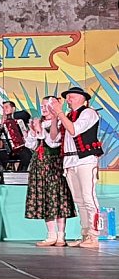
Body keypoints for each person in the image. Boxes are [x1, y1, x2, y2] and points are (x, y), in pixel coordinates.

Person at [50, 87, 104, 249]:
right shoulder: (67, 116)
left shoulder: (88, 113)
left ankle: (94, 235)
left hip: (85, 160)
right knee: (79, 200)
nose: (68, 100)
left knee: (88, 197)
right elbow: (54, 138)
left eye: (71, 97)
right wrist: (55, 118)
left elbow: (74, 130)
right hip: (69, 161)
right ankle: (85, 234)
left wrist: (60, 113)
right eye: (67, 97)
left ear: (82, 98)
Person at [24, 97, 75, 246]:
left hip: (54, 163)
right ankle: (51, 234)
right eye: (42, 106)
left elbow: (54, 142)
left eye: (47, 106)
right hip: (39, 164)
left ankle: (61, 235)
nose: (44, 109)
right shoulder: (38, 122)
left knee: (58, 198)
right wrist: (33, 132)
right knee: (46, 199)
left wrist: (41, 132)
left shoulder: (60, 122)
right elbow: (31, 145)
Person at [0, 101, 32, 171]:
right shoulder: (3, 123)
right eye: (3, 108)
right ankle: (3, 173)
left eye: (6, 107)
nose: (4, 110)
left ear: (13, 109)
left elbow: (25, 115)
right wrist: (1, 125)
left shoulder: (20, 118)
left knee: (27, 154)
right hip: (9, 151)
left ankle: (21, 173)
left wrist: (9, 117)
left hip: (22, 149)